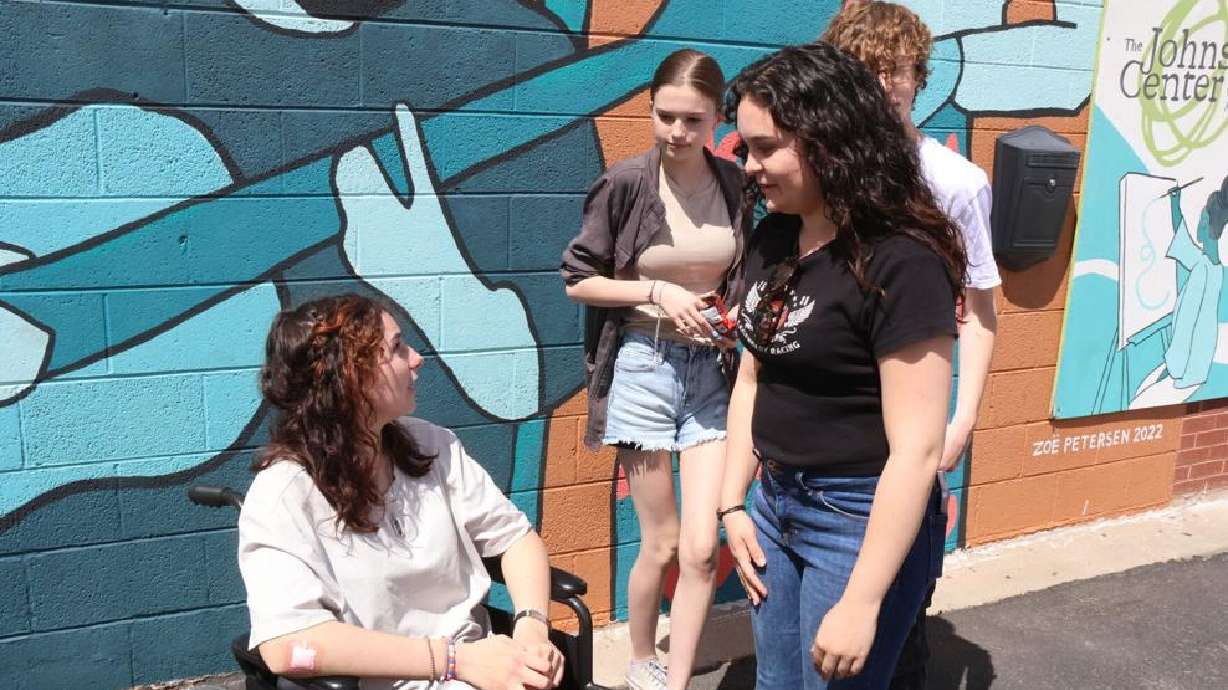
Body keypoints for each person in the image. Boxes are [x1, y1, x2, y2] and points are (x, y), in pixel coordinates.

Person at [717, 42, 967, 690]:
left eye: (766, 148)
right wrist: (731, 505)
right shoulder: (776, 235)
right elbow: (753, 374)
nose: (750, 167)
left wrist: (861, 601)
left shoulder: (901, 262)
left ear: (829, 140)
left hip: (856, 520)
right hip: (773, 503)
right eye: (746, 148)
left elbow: (916, 450)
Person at [238, 293, 564, 690]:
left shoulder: (433, 446)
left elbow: (516, 538)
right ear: (348, 378)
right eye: (396, 348)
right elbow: (287, 645)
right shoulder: (283, 494)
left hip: (486, 666)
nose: (416, 359)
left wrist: (531, 627)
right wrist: (454, 661)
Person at [559, 48, 750, 690]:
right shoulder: (626, 184)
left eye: (692, 120)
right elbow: (578, 281)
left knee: (703, 547)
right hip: (642, 366)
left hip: (711, 372)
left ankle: (676, 681)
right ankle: (642, 657)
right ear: (650, 109)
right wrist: (656, 292)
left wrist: (733, 313)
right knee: (664, 541)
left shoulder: (734, 186)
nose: (676, 132)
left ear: (717, 119)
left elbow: (746, 271)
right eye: (665, 116)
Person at [822, 5, 1002, 687]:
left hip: (910, 431)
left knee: (897, 623)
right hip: (829, 433)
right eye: (868, 68)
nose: (884, 83)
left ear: (918, 79)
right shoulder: (820, 176)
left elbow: (983, 310)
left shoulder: (955, 183)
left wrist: (963, 421)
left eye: (896, 69)